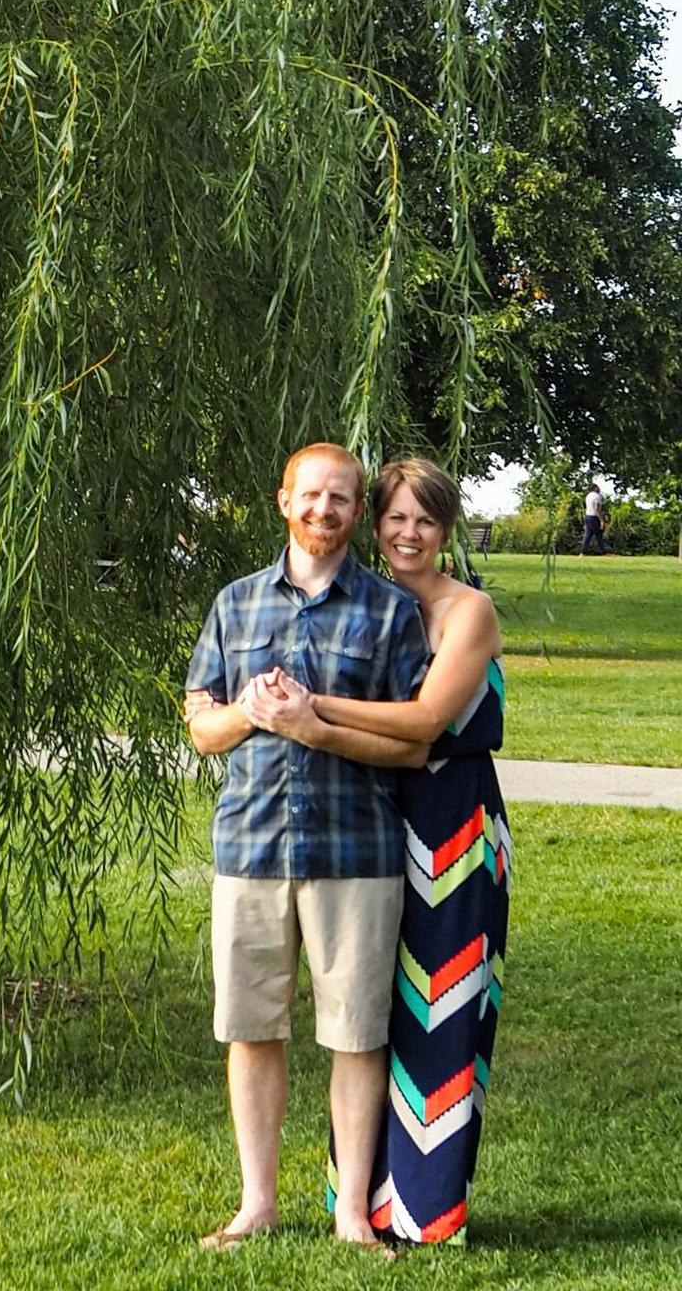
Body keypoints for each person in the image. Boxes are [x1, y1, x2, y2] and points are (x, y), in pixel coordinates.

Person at [240, 457, 511, 1246]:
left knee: (444, 1009)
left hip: (455, 833)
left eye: (424, 520)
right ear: (374, 521)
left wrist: (308, 711)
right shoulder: (375, 607)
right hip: (375, 815)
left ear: (445, 529)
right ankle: (361, 1200)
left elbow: (426, 721)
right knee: (370, 1015)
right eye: (395, 517)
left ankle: (428, 1213)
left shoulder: (470, 611)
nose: (407, 533)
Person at [184, 443, 431, 1252]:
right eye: (311, 495)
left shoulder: (391, 615)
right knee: (252, 1029)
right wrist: (251, 715)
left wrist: (313, 727)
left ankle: (351, 1213)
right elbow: (201, 730)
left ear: (359, 512)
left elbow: (410, 748)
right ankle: (257, 1203)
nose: (324, 510)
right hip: (251, 848)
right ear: (283, 501)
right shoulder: (236, 604)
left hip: (355, 854)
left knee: (355, 1034)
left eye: (341, 499)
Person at [581, 482, 607, 555]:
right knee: (599, 534)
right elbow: (596, 509)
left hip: (587, 516)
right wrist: (601, 520)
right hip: (594, 517)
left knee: (588, 534)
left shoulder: (588, 496)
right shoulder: (596, 496)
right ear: (595, 488)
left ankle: (583, 552)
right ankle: (603, 552)